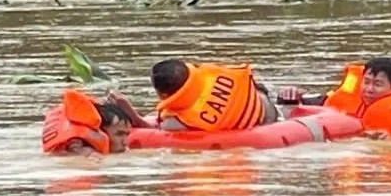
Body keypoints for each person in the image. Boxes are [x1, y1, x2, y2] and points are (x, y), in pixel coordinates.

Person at [107, 59, 279, 132]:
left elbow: (151, 131)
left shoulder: (180, 121)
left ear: (164, 95)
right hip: (269, 107)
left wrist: (131, 113)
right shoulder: (213, 73)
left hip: (262, 125)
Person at [277, 56, 391, 137]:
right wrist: (289, 97)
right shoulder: (342, 98)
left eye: (377, 84)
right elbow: (298, 107)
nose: (369, 89)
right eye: (366, 82)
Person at [42, 89, 132, 155]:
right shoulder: (83, 152)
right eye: (119, 134)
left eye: (127, 134)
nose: (125, 142)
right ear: (98, 130)